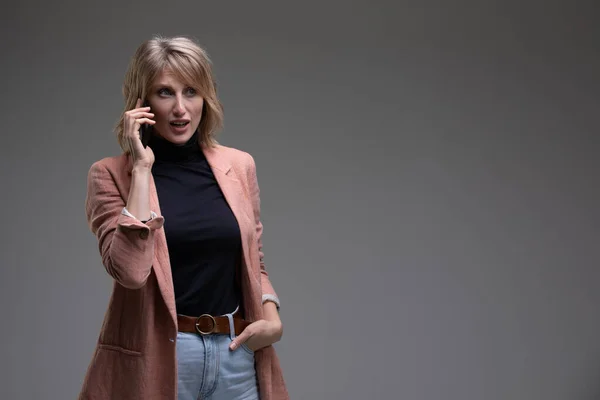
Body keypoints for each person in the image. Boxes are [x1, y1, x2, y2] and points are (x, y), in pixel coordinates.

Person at [79, 35, 289, 400]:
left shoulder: (238, 166)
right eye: (165, 93)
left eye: (191, 91)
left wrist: (271, 319)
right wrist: (142, 170)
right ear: (141, 103)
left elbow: (254, 260)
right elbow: (130, 273)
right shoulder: (110, 175)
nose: (180, 108)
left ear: (206, 98)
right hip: (163, 359)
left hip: (236, 355)